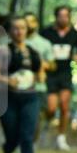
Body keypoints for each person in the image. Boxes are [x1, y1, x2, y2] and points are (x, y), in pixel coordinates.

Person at [0, 15, 45, 153]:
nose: (19, 31)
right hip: (7, 100)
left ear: (27, 30)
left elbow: (41, 73)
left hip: (30, 99)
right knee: (12, 137)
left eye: (22, 28)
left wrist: (37, 77)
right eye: (15, 28)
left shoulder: (33, 52)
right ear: (9, 31)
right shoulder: (3, 52)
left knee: (27, 138)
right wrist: (8, 80)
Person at [40, 5, 77, 151]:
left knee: (65, 106)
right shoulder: (46, 32)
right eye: (61, 16)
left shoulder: (74, 34)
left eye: (66, 16)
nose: (63, 19)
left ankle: (61, 138)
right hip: (50, 75)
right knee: (51, 107)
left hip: (65, 74)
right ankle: (47, 120)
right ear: (56, 17)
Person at [24, 12, 55, 143]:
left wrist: (43, 65)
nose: (27, 24)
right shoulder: (14, 41)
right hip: (17, 87)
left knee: (35, 120)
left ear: (36, 24)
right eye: (25, 21)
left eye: (30, 21)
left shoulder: (44, 43)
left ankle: (29, 148)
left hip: (38, 87)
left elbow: (53, 65)